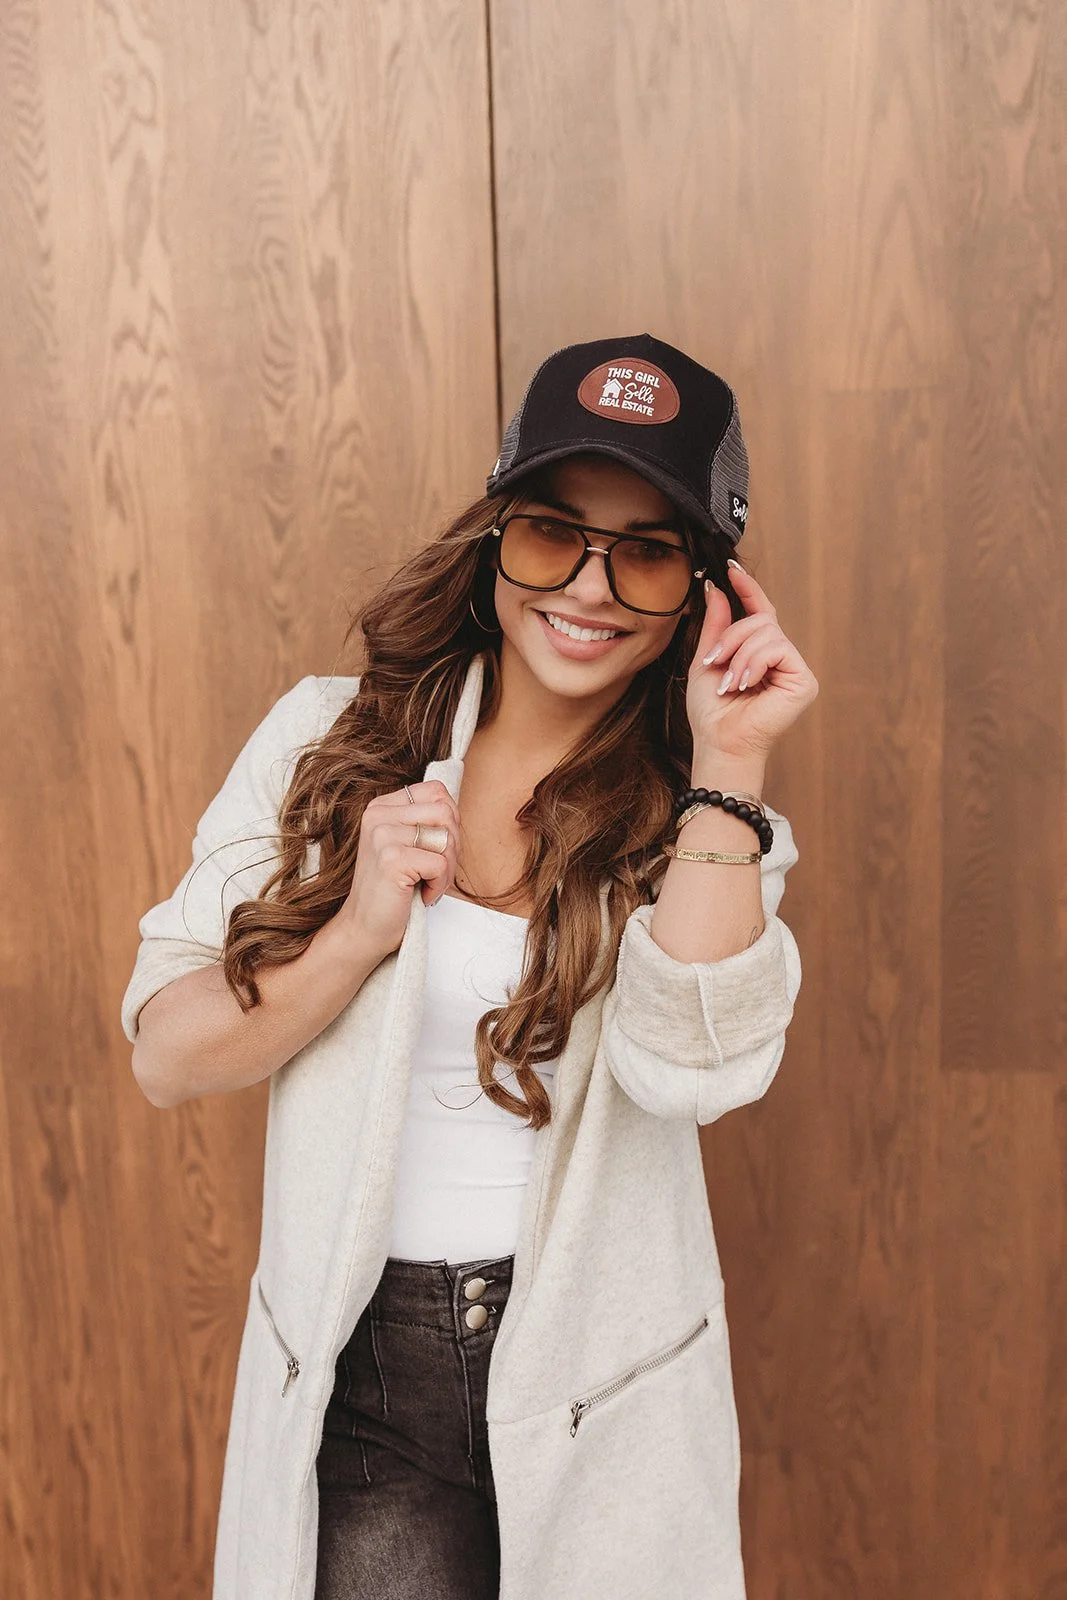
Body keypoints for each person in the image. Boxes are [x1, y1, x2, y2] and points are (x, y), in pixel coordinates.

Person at [121, 331, 818, 1600]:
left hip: (605, 1390)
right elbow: (166, 1052)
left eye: (647, 551)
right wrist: (354, 932)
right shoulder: (325, 742)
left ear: (702, 592)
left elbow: (691, 1075)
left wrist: (732, 765)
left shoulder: (710, 819)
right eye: (555, 531)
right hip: (367, 1372)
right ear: (496, 536)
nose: (590, 586)